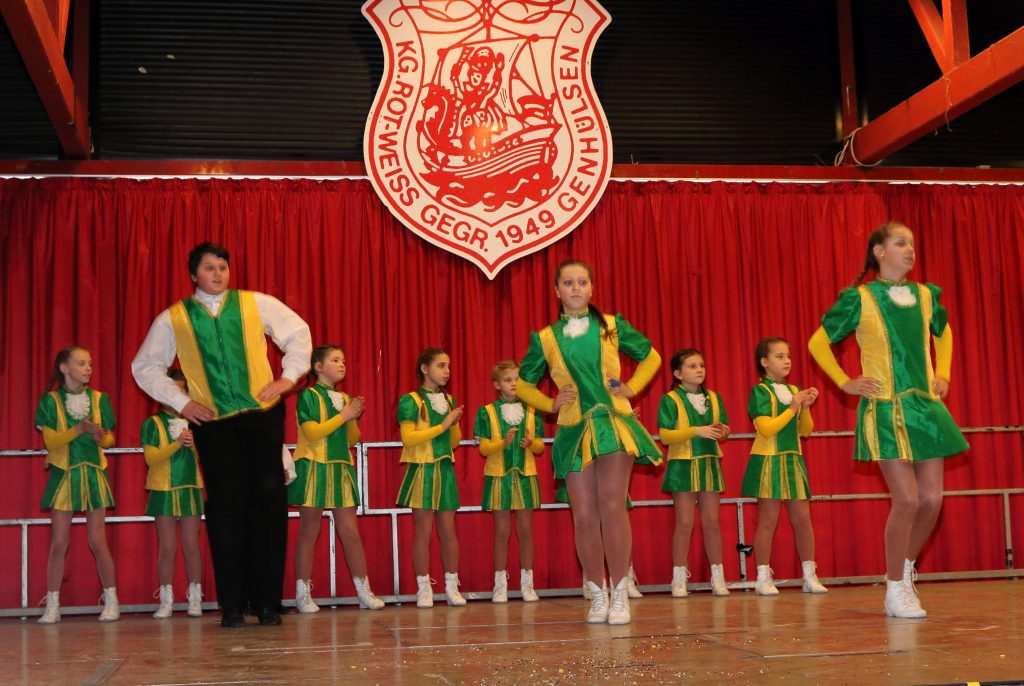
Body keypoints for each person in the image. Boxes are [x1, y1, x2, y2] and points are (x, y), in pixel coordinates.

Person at [132, 242, 312, 628]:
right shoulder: (175, 317)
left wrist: (288, 378)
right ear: (193, 275)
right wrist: (182, 403)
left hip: (261, 417)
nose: (218, 274)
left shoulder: (254, 303)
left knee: (268, 508)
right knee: (226, 512)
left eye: (223, 267)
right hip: (214, 424)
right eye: (209, 268)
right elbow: (145, 366)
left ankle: (267, 603)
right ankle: (232, 605)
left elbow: (299, 333)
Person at [808, 221, 968, 618]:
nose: (910, 250)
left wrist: (943, 372)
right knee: (907, 498)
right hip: (885, 410)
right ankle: (895, 588)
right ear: (879, 251)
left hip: (926, 408)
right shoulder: (861, 298)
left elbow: (943, 333)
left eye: (912, 243)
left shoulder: (925, 295)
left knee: (931, 500)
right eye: (900, 243)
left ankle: (904, 569)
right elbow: (818, 342)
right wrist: (845, 382)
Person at [516, 258, 663, 625]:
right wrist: (550, 403)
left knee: (612, 506)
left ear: (592, 288)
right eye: (568, 282)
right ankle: (597, 594)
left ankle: (619, 595)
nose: (576, 288)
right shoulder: (545, 338)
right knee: (583, 514)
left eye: (582, 282)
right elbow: (522, 384)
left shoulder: (611, 326)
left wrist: (631, 387)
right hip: (573, 428)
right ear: (557, 290)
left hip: (612, 421)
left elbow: (651, 356)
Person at [290, 345, 384, 612]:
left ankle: (364, 592)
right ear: (318, 367)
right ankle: (303, 594)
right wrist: (345, 415)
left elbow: (352, 439)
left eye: (343, 360)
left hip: (341, 467)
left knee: (351, 533)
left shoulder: (345, 398)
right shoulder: (308, 395)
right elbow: (312, 433)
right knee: (309, 532)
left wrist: (352, 418)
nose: (342, 364)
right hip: (313, 465)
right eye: (334, 360)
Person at [35, 346, 119, 623]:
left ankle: (112, 601)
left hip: (94, 474)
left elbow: (110, 440)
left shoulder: (99, 399)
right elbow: (51, 442)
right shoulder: (50, 401)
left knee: (98, 540)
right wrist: (79, 429)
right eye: (81, 363)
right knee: (59, 542)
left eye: (90, 363)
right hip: (64, 474)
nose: (88, 368)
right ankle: (53, 605)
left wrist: (101, 438)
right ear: (64, 368)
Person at [741, 338, 828, 596]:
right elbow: (766, 429)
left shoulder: (794, 389)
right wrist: (792, 407)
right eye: (779, 356)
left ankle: (809, 576)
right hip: (768, 459)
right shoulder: (760, 392)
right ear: (764, 362)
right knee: (768, 520)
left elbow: (806, 431)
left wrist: (805, 408)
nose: (787, 361)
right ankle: (762, 577)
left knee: (803, 520)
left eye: (788, 355)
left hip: (793, 459)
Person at [657, 348, 731, 597]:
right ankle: (678, 578)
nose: (699, 370)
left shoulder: (714, 398)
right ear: (678, 374)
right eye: (692, 366)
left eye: (701, 365)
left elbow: (725, 430)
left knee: (712, 522)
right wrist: (696, 430)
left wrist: (723, 431)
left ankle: (718, 577)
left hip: (709, 463)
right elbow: (665, 436)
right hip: (683, 465)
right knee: (685, 522)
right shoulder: (670, 399)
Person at [396, 347, 466, 608]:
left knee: (448, 530)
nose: (447, 371)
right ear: (425, 369)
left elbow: (454, 442)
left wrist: (454, 424)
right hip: (422, 468)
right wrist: (443, 425)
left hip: (444, 468)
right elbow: (408, 438)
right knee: (423, 530)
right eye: (441, 366)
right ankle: (423, 588)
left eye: (448, 366)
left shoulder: (449, 400)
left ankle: (451, 586)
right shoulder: (411, 400)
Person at [474, 360, 545, 603]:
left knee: (525, 530)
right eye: (507, 380)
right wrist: (502, 444)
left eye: (517, 379)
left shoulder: (532, 410)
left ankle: (527, 584)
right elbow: (484, 448)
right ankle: (500, 585)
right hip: (498, 476)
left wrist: (531, 443)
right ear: (497, 384)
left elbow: (540, 447)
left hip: (526, 474)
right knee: (502, 531)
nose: (513, 383)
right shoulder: (486, 412)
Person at [141, 368, 205, 619]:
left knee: (191, 545)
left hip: (190, 487)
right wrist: (177, 444)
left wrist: (194, 445)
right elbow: (151, 458)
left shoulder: (195, 423)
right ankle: (166, 600)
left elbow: (204, 459)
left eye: (182, 391)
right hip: (163, 489)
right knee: (167, 547)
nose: (178, 396)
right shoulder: (152, 423)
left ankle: (195, 598)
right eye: (172, 391)